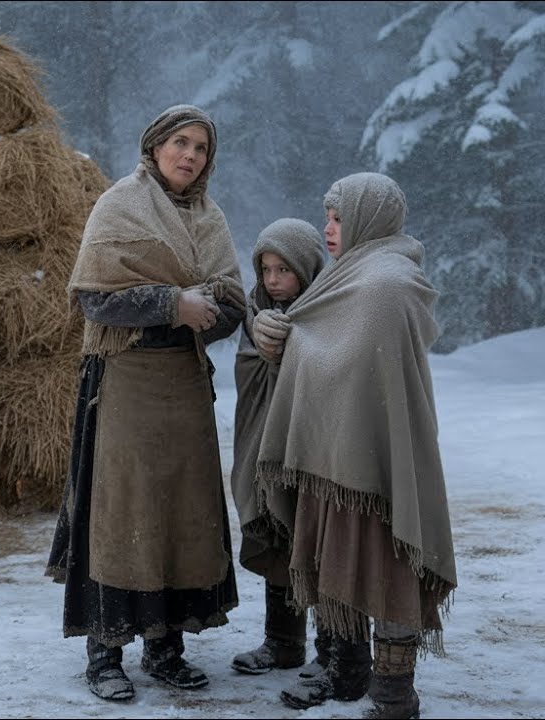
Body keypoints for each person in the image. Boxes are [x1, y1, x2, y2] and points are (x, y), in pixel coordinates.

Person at [45, 104, 247, 702]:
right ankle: (105, 650)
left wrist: (206, 312)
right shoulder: (120, 204)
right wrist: (170, 304)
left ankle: (167, 646)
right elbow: (94, 299)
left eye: (202, 148)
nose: (190, 156)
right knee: (122, 511)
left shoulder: (211, 219)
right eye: (180, 143)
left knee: (181, 513)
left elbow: (232, 301)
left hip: (185, 385)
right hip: (125, 382)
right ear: (156, 145)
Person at [252, 172, 457, 719]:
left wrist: (294, 340)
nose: (329, 228)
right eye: (328, 216)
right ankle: (346, 670)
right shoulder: (349, 276)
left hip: (377, 452)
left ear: (369, 216)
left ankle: (393, 696)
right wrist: (283, 335)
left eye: (339, 217)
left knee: (389, 566)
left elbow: (348, 358)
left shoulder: (387, 281)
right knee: (340, 560)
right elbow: (320, 340)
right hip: (337, 449)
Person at [227, 219, 327, 677]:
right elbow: (249, 374)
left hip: (310, 452)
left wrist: (292, 350)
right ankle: (283, 643)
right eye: (265, 268)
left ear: (305, 270)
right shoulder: (256, 312)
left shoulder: (326, 309)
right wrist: (266, 349)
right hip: (265, 448)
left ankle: (333, 650)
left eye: (283, 269)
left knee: (315, 544)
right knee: (277, 534)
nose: (272, 280)